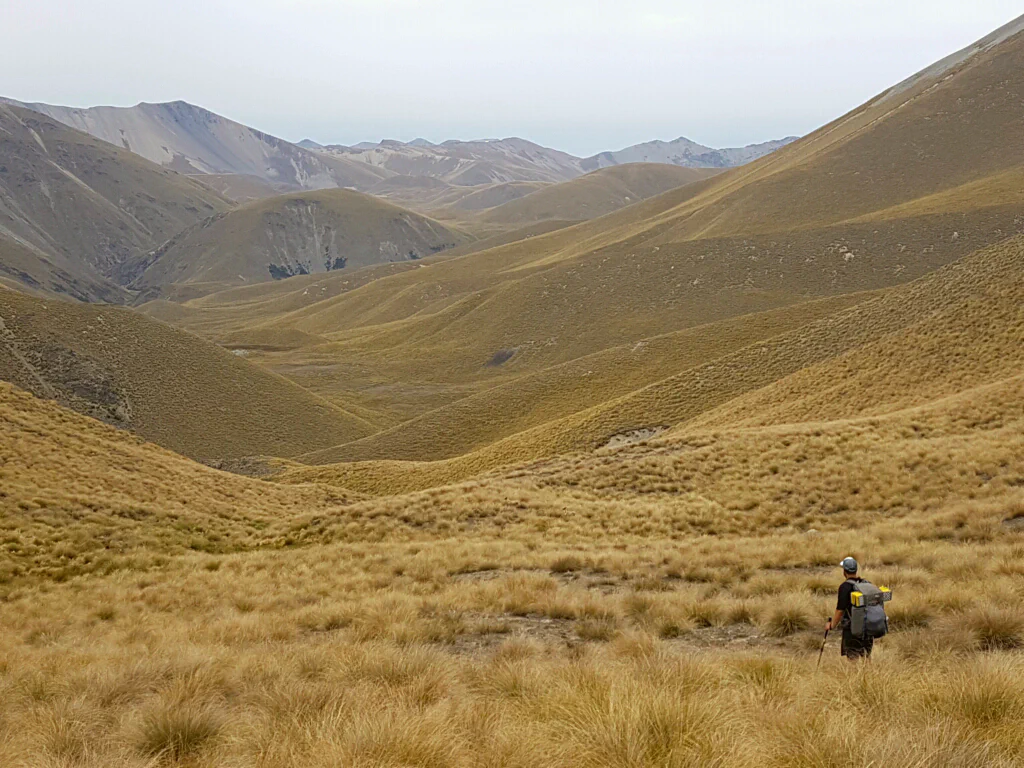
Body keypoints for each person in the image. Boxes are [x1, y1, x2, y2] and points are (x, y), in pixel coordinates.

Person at [825, 556, 873, 660]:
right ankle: (869, 676)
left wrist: (832, 625)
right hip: (868, 628)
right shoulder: (867, 584)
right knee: (866, 657)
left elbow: (840, 610)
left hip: (852, 630)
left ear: (844, 572)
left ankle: (854, 677)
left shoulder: (845, 587)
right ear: (856, 570)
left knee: (852, 658)